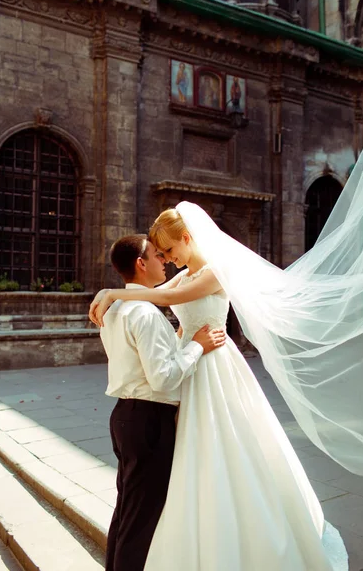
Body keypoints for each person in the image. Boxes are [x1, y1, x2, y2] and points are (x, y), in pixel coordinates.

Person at [90, 210, 350, 570]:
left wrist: (109, 291)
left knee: (229, 446)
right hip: (191, 361)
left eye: (168, 252)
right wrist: (123, 299)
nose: (167, 260)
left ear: (187, 237)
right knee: (190, 457)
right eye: (160, 256)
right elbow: (150, 293)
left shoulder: (216, 271)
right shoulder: (183, 277)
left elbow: (160, 299)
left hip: (214, 361)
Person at [98, 234, 226, 571]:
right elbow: (164, 378)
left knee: (126, 509)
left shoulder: (114, 311)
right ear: (141, 264)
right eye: (158, 255)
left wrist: (181, 342)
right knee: (142, 521)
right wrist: (198, 345)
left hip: (124, 416)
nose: (165, 261)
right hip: (149, 421)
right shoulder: (146, 314)